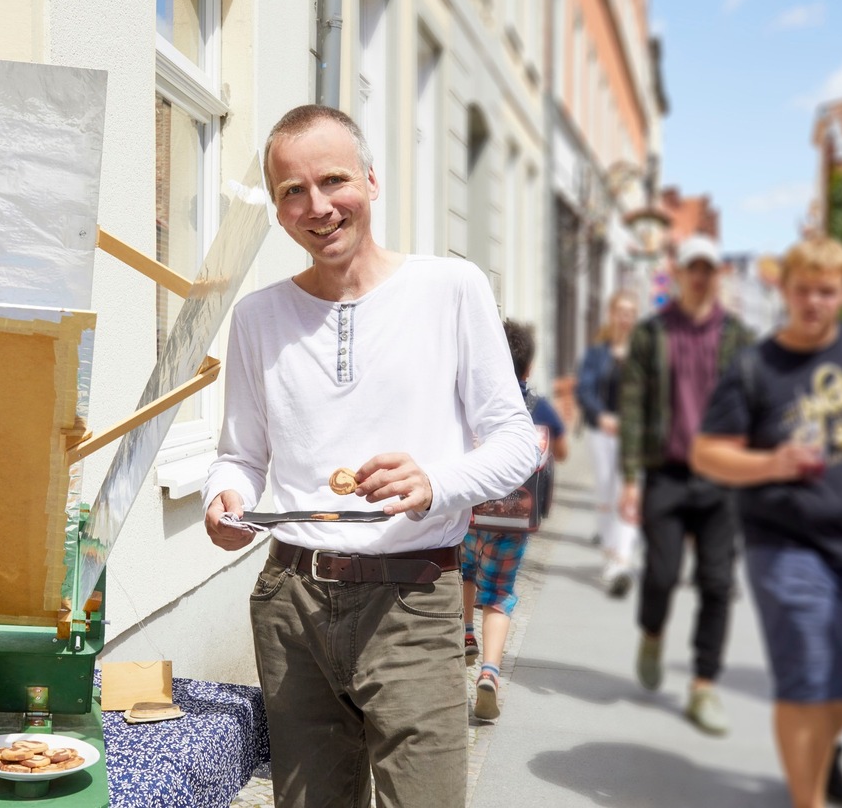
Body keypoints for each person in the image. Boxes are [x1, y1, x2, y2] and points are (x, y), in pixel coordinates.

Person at [202, 105, 539, 808]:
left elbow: (516, 445)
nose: (317, 206)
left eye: (333, 180)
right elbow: (240, 454)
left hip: (412, 599)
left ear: (372, 181)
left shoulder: (449, 289)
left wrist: (436, 481)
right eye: (292, 190)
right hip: (291, 601)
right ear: (276, 206)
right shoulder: (259, 317)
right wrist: (223, 499)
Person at [691, 236, 842, 808]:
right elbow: (708, 453)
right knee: (809, 674)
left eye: (827, 291)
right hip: (788, 543)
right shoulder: (756, 367)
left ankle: (817, 762)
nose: (814, 302)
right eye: (804, 290)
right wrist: (772, 463)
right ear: (785, 290)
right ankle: (809, 800)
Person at [618, 234, 753, 736]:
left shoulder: (739, 336)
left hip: (721, 478)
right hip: (667, 472)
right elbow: (632, 404)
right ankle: (652, 632)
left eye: (708, 269)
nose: (700, 276)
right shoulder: (653, 334)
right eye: (693, 268)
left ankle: (703, 685)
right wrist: (630, 478)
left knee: (718, 583)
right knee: (662, 574)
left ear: (717, 275)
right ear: (680, 274)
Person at [463, 319, 568, 721]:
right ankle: (490, 671)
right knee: (500, 593)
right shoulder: (538, 406)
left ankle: (465, 632)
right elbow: (558, 446)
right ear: (526, 370)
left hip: (471, 513)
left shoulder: (472, 401)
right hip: (514, 520)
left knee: (465, 572)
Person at [577, 289, 640, 596]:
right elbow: (585, 390)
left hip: (633, 432)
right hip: (601, 432)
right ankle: (610, 554)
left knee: (629, 492)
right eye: (620, 311)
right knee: (605, 490)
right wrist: (601, 416)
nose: (625, 317)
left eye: (630, 311)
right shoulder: (597, 353)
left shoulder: (643, 353)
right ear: (612, 314)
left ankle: (622, 559)